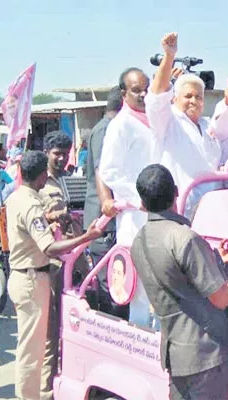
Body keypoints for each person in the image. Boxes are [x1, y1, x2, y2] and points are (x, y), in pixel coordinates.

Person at [130, 164, 228, 400]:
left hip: (177, 354)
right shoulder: (184, 238)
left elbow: (176, 282)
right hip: (205, 356)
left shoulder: (139, 241)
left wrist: (213, 261)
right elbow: (221, 299)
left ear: (142, 204)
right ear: (176, 191)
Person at [6, 150, 102, 400]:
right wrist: (86, 237)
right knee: (32, 350)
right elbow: (48, 247)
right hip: (31, 279)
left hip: (23, 276)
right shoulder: (30, 204)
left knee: (31, 347)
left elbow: (26, 227)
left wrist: (48, 218)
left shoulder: (17, 197)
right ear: (41, 177)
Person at [145, 32, 228, 220]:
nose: (193, 101)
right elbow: (156, 97)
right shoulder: (167, 121)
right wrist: (169, 56)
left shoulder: (206, 126)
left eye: (198, 97)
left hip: (209, 210)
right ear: (174, 98)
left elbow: (223, 131)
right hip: (178, 210)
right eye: (188, 96)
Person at [99, 66, 158, 327]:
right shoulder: (120, 125)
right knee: (141, 292)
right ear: (124, 93)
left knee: (161, 285)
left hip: (160, 212)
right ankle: (140, 345)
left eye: (147, 88)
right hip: (136, 215)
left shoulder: (156, 120)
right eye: (137, 90)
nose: (144, 94)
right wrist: (139, 198)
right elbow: (109, 171)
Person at [83, 86, 128, 318]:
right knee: (111, 286)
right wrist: (109, 205)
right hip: (105, 220)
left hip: (109, 220)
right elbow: (103, 172)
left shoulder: (108, 127)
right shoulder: (107, 130)